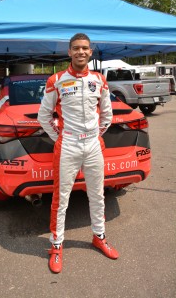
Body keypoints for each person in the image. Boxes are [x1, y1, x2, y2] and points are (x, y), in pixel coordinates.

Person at [38, 33, 119, 274]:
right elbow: (44, 116)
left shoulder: (99, 80)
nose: (80, 52)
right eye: (76, 48)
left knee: (97, 195)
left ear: (90, 52)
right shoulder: (57, 79)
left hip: (93, 145)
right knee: (61, 199)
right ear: (69, 52)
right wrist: (60, 137)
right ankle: (56, 245)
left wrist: (96, 135)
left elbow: (107, 115)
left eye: (85, 48)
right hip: (68, 145)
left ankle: (100, 236)